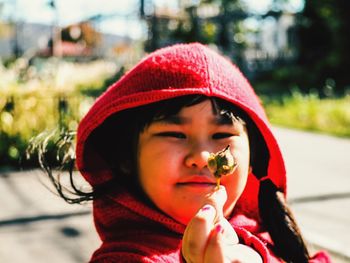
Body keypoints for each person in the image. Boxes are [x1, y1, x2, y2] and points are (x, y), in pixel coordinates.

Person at [43, 43, 332, 262]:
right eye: (174, 134)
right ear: (126, 158)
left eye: (222, 135)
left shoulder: (270, 240)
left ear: (253, 156)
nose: (204, 156)